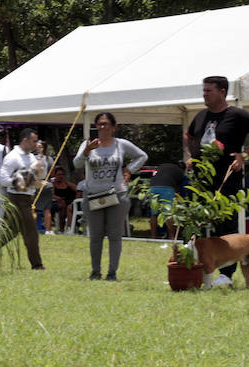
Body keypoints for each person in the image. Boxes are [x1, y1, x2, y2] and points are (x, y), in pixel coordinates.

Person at [184, 75, 249, 287]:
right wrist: (192, 156)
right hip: (201, 183)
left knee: (225, 228)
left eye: (209, 90)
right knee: (194, 225)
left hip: (227, 181)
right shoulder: (200, 116)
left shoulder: (238, 115)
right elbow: (188, 136)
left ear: (222, 92)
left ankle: (226, 275)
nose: (204, 94)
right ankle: (193, 270)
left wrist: (244, 155)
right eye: (204, 90)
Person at [72, 112, 148, 280]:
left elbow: (142, 156)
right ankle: (95, 272)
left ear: (114, 127)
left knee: (115, 235)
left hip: (117, 194)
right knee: (96, 236)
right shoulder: (88, 144)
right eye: (99, 124)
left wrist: (129, 169)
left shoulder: (120, 144)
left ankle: (112, 273)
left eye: (106, 124)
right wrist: (86, 151)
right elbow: (76, 164)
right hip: (93, 195)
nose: (102, 127)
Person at [0, 127, 48, 270]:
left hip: (27, 198)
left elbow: (40, 174)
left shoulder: (31, 156)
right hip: (17, 198)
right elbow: (3, 179)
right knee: (31, 231)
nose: (36, 144)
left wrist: (41, 156)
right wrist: (21, 182)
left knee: (11, 231)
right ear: (25, 140)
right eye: (33, 141)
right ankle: (37, 264)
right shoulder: (12, 157)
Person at [148, 161, 185, 239]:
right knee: (169, 214)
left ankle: (153, 236)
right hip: (167, 187)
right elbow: (179, 188)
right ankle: (171, 237)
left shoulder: (163, 165)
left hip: (153, 187)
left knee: (154, 214)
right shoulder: (180, 172)